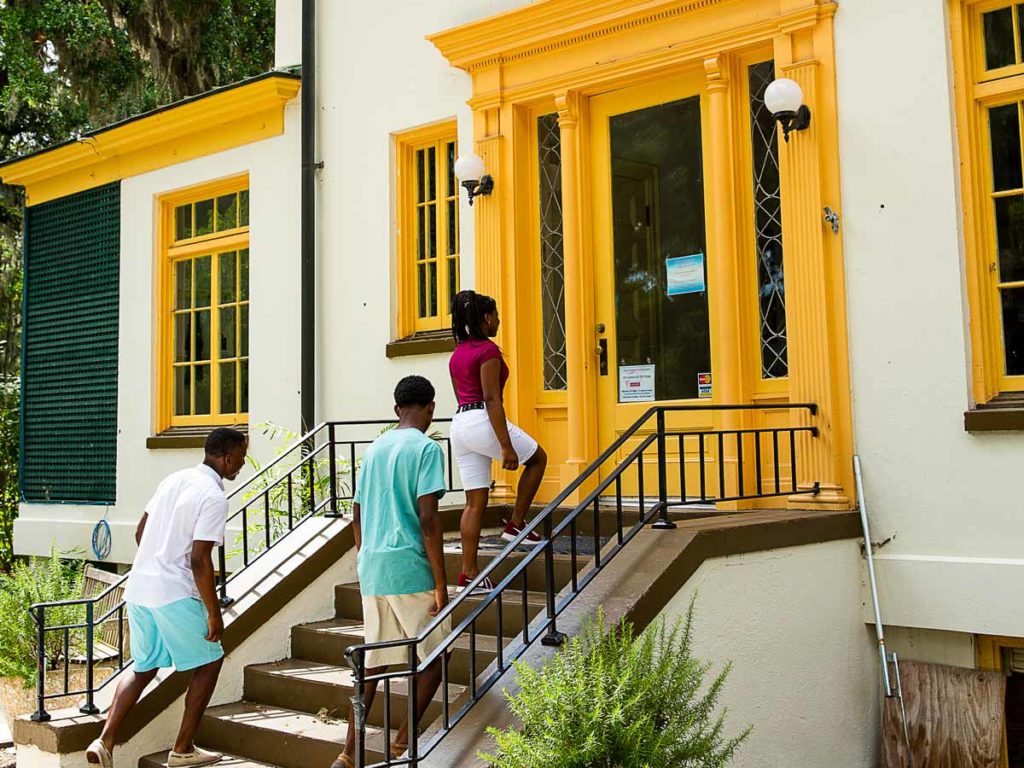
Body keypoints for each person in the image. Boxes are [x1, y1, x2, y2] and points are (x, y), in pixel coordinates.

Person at [86, 428, 247, 768]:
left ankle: (105, 740)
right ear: (227, 457)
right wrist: (213, 612)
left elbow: (141, 531)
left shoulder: (173, 479)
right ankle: (183, 748)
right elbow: (200, 560)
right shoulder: (215, 497)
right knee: (210, 659)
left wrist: (156, 559)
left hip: (140, 589)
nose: (242, 465)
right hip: (174, 591)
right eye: (241, 458)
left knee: (144, 667)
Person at [333, 376, 451, 768]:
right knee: (435, 657)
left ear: (397, 409)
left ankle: (349, 752)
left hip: (374, 566)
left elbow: (356, 515)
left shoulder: (375, 449)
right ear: (430, 408)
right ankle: (401, 745)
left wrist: (366, 556)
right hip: (409, 566)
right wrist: (440, 583)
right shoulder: (427, 449)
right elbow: (429, 520)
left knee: (374, 662)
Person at [448, 290, 548, 594]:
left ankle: (469, 574)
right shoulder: (487, 351)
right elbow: (491, 399)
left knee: (473, 504)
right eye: (496, 316)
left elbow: (463, 395)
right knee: (538, 458)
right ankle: (516, 524)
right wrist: (504, 445)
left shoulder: (457, 353)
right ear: (485, 318)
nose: (499, 321)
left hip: (460, 424)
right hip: (482, 418)